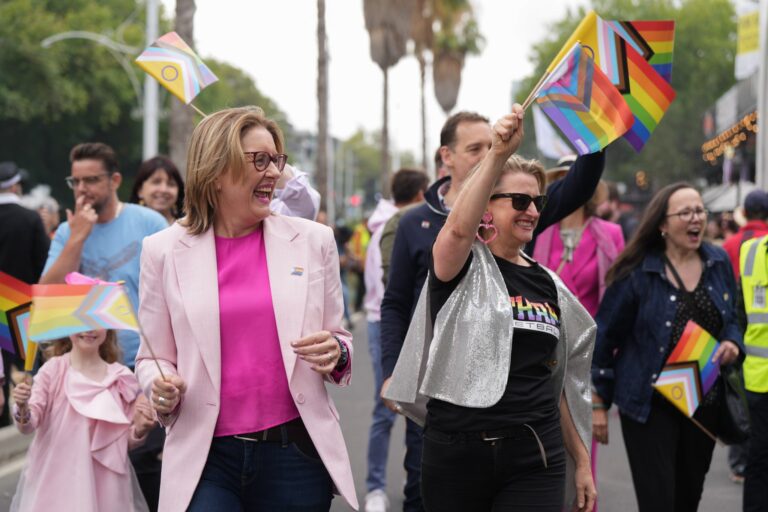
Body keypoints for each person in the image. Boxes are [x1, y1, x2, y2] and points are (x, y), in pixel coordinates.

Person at [379, 110, 605, 511]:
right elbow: (457, 232)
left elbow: (563, 383)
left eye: (537, 202)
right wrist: (498, 154)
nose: (533, 211)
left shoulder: (550, 284)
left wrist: (583, 460)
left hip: (535, 454)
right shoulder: (457, 264)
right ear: (486, 207)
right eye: (519, 201)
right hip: (456, 455)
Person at [135, 106, 357, 511]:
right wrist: (160, 384)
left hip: (294, 456)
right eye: (259, 160)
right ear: (216, 171)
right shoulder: (162, 250)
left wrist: (337, 352)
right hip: (205, 459)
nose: (273, 172)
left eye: (276, 159)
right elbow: (152, 357)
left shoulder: (314, 241)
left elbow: (339, 338)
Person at [592, 183, 744, 512]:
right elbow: (605, 336)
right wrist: (598, 401)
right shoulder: (637, 271)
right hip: (649, 407)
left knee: (687, 499)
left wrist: (732, 341)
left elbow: (732, 316)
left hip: (702, 402)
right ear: (662, 224)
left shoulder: (717, 260)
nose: (696, 219)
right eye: (685, 212)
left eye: (700, 211)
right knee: (658, 502)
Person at [533, 178, 625, 511]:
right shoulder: (539, 231)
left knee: (583, 458)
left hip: (585, 359)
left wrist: (603, 378)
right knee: (543, 457)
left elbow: (614, 304)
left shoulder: (609, 234)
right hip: (541, 356)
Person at [39, 142, 168, 367]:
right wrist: (77, 238)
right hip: (86, 364)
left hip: (143, 362)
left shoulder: (150, 223)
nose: (81, 188)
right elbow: (47, 297)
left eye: (91, 180)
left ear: (114, 181)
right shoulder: (67, 231)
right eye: (75, 181)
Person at [10, 328, 156, 511]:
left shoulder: (122, 378)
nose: (89, 329)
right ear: (68, 328)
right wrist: (23, 406)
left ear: (108, 329)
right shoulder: (52, 370)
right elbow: (29, 424)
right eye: (81, 321)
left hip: (107, 484)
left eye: (97, 321)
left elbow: (121, 441)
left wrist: (140, 428)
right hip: (58, 480)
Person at [363, 169, 428, 512]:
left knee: (419, 412)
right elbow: (388, 289)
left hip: (399, 322)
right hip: (383, 322)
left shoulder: (399, 223)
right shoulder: (396, 227)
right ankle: (375, 486)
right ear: (420, 193)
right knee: (386, 407)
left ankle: (411, 476)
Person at [0, 162, 50, 426]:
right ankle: (29, 415)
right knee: (28, 367)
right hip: (20, 305)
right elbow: (45, 264)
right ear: (16, 186)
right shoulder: (29, 218)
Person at [739, 232, 768, 510]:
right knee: (759, 461)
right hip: (759, 379)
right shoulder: (750, 251)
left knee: (759, 459)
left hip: (758, 377)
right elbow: (739, 312)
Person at [129, 156, 185, 225]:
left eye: (171, 184)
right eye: (156, 182)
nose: (163, 189)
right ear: (140, 190)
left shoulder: (187, 228)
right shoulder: (128, 226)